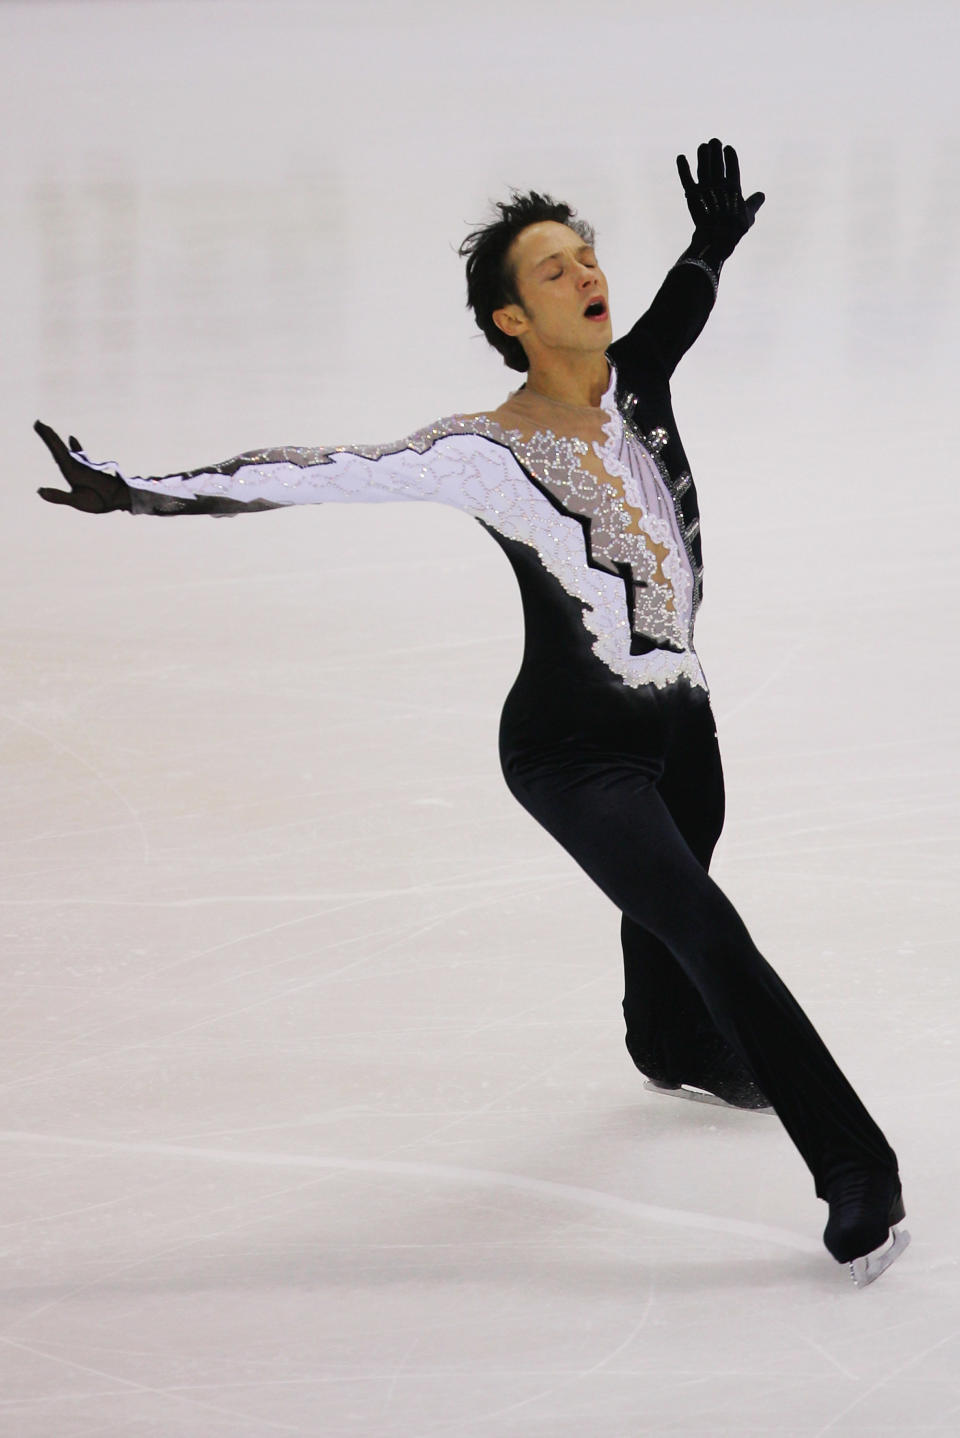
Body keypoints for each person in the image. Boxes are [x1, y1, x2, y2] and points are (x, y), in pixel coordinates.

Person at [35, 139, 909, 1286]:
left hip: (682, 725)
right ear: (509, 319)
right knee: (705, 924)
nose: (587, 272)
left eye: (588, 255)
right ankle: (857, 1167)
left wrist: (706, 247)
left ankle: (670, 1041)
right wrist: (146, 491)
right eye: (554, 269)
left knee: (673, 904)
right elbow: (323, 469)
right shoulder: (486, 453)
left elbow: (676, 316)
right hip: (570, 749)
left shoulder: (635, 384)